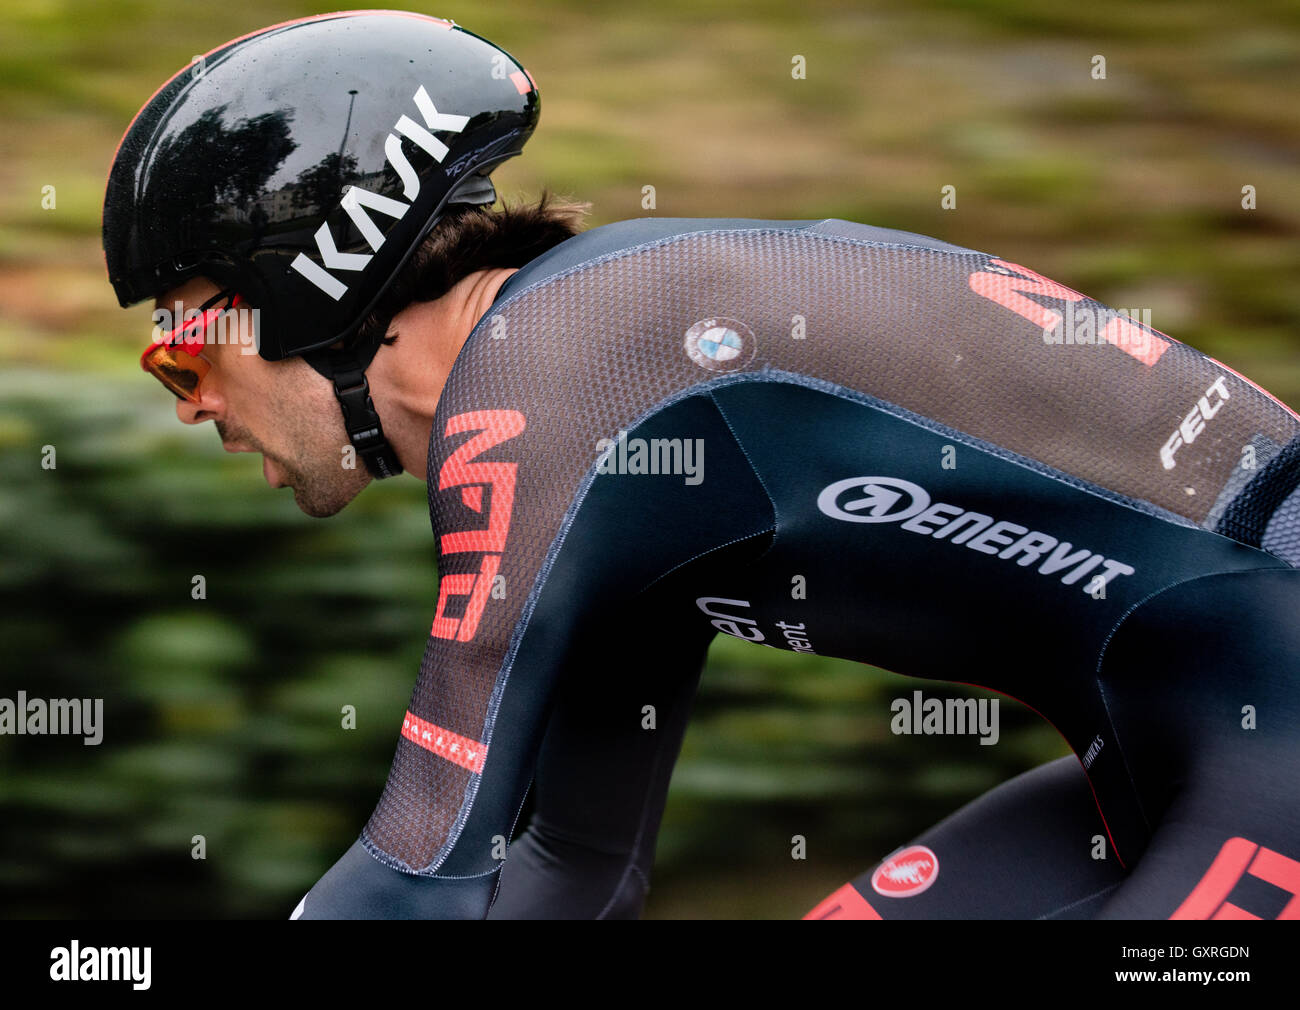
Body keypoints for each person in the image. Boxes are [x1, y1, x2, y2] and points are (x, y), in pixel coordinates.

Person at [103, 11, 1300, 920]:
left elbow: (418, 872)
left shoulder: (546, 388)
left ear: (309, 278)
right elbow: (575, 871)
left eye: (184, 345)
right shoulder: (602, 418)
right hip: (1183, 750)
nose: (188, 401)